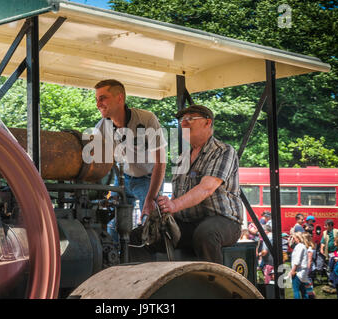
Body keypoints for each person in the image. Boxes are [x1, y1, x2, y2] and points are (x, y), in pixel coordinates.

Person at [156, 104, 243, 264]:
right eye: (182, 120)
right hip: (188, 224)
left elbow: (206, 188)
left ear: (207, 122)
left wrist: (174, 205)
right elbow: (177, 195)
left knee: (206, 233)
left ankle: (214, 285)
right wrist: (165, 213)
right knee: (144, 236)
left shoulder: (223, 151)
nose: (184, 123)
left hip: (224, 221)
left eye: (190, 119)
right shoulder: (181, 158)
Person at [94, 79, 166, 241]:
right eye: (97, 99)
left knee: (150, 224)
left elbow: (161, 162)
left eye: (103, 98)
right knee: (113, 225)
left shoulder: (147, 119)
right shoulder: (101, 127)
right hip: (124, 179)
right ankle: (116, 260)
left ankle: (148, 260)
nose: (98, 104)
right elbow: (100, 164)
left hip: (149, 178)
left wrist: (149, 199)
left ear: (120, 98)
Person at [289, 232, 310, 299]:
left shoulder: (299, 247)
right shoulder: (301, 246)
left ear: (297, 238)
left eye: (294, 238)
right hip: (302, 271)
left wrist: (293, 270)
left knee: (296, 290)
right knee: (303, 290)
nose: (293, 239)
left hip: (298, 271)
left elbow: (297, 260)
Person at [302, 232, 316, 299]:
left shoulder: (309, 249)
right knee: (307, 287)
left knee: (309, 287)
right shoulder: (306, 248)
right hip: (308, 269)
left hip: (309, 269)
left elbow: (309, 260)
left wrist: (307, 271)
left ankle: (311, 297)